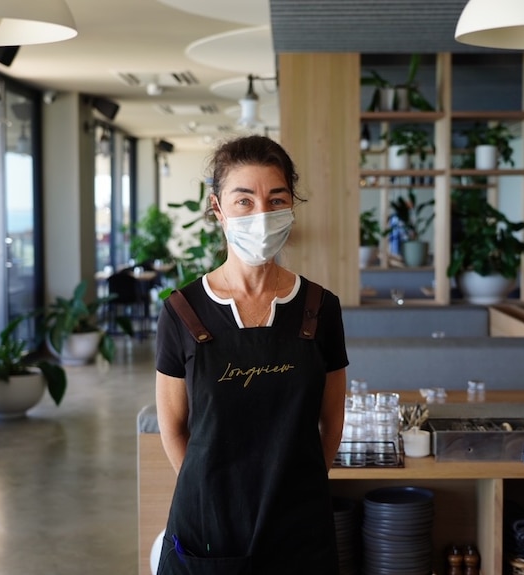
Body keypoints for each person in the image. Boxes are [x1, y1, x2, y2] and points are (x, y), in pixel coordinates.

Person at [154, 134, 348, 574]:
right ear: (217, 208)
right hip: (210, 524)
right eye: (244, 200)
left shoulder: (320, 308)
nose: (262, 214)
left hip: (300, 523)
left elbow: (331, 420)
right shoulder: (182, 312)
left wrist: (300, 487)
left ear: (291, 207)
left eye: (276, 199)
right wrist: (213, 496)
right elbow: (173, 428)